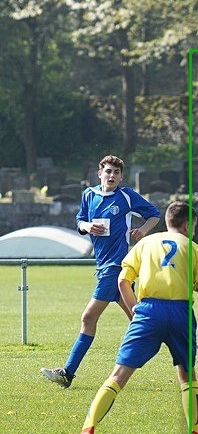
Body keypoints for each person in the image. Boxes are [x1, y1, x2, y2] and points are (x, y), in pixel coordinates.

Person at [63, 201, 198, 434]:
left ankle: (87, 431)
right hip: (180, 313)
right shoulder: (195, 249)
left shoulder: (145, 243)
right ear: (189, 225)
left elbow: (123, 280)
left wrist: (135, 308)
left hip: (148, 311)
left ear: (168, 221)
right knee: (188, 376)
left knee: (118, 375)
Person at [41, 155, 160, 387]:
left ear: (121, 177)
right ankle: (180, 349)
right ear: (99, 174)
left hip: (115, 266)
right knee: (139, 320)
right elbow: (80, 220)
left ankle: (67, 372)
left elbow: (154, 214)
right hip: (103, 265)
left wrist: (143, 229)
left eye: (116, 172)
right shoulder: (89, 195)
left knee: (88, 317)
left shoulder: (126, 196)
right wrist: (87, 226)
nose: (112, 176)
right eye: (108, 171)